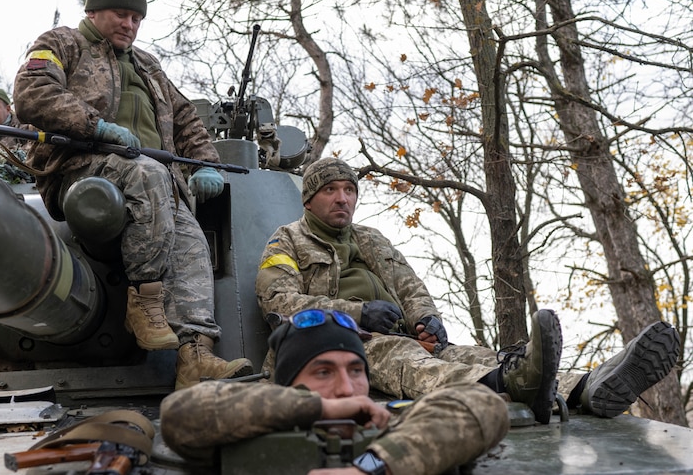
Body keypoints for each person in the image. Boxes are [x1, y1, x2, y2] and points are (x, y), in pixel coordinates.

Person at [256, 156, 681, 422]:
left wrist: (427, 319)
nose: (343, 198)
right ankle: (510, 384)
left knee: (472, 353)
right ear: (309, 199)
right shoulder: (287, 240)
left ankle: (587, 385)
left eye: (349, 190)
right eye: (331, 190)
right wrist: (358, 314)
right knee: (407, 359)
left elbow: (410, 285)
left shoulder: (371, 238)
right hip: (343, 342)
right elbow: (278, 302)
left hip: (404, 337)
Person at [13, 0, 252, 389]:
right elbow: (32, 92)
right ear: (92, 12)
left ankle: (195, 356)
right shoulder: (63, 43)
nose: (129, 25)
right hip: (81, 168)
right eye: (120, 15)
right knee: (149, 173)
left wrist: (206, 163)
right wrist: (96, 126)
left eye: (136, 19)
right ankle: (144, 301)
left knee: (192, 241)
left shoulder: (147, 66)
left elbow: (186, 118)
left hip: (151, 183)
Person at [161, 309, 510, 475]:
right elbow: (180, 415)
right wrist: (319, 408)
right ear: (287, 384)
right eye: (323, 371)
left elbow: (482, 405)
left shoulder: (395, 422)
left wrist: (373, 467)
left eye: (357, 371)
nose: (347, 388)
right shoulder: (245, 428)